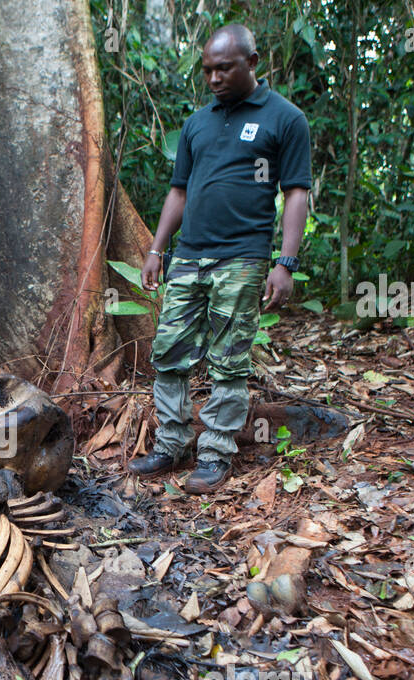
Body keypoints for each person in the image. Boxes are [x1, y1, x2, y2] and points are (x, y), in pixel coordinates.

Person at [130, 23, 311, 494]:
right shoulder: (197, 123)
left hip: (243, 257)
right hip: (188, 256)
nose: (213, 78)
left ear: (252, 63)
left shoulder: (284, 119)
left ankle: (215, 453)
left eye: (224, 68)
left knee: (228, 360)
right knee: (169, 353)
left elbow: (295, 193)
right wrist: (156, 249)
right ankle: (171, 444)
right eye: (207, 69)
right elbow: (179, 191)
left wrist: (285, 262)